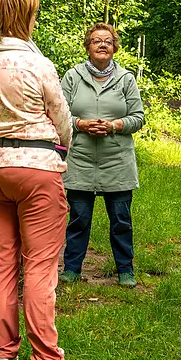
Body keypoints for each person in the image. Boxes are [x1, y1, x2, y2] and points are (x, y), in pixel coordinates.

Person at [0, 0, 79, 360]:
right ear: (23, 17)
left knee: (1, 262)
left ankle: (3, 357)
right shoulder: (37, 63)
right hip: (34, 169)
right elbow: (63, 119)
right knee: (40, 267)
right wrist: (62, 150)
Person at [58, 22, 145, 287]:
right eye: (96, 40)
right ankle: (72, 269)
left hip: (116, 159)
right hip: (81, 158)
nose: (102, 45)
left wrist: (116, 125)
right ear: (88, 47)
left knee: (121, 220)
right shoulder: (72, 76)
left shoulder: (126, 78)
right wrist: (80, 124)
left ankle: (125, 270)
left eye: (107, 41)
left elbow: (138, 117)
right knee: (79, 219)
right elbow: (59, 114)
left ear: (114, 47)